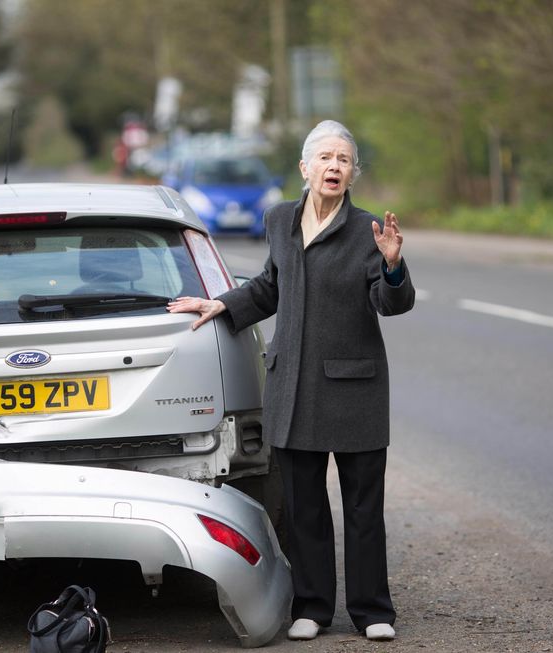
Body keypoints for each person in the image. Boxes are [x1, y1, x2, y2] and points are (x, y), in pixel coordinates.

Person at [167, 119, 415, 642]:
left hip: (355, 390)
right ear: (305, 167)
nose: (334, 166)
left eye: (343, 160)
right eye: (325, 157)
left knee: (363, 509)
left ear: (353, 173)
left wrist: (393, 267)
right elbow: (270, 286)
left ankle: (372, 611)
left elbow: (390, 303)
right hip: (294, 388)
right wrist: (222, 304)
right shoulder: (279, 219)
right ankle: (313, 607)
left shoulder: (368, 230)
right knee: (305, 509)